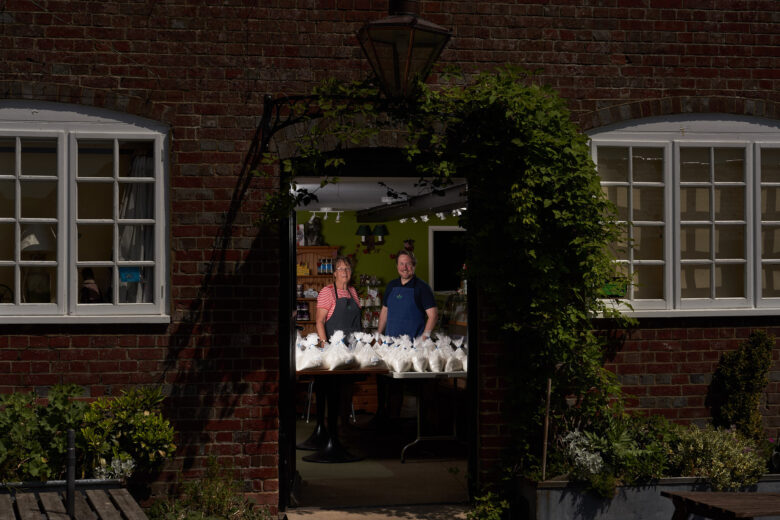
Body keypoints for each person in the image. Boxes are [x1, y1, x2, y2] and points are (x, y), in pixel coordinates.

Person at [378, 250, 438, 339]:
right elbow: (384, 311)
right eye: (401, 264)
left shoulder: (422, 287)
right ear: (397, 266)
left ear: (414, 266)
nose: (404, 268)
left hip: (413, 347)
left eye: (408, 264)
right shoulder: (391, 286)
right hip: (390, 344)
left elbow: (433, 316)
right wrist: (378, 335)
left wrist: (423, 340)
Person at [315, 255, 362, 345]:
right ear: (335, 273)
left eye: (347, 268)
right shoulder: (327, 291)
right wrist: (324, 344)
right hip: (335, 349)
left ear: (351, 272)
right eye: (340, 268)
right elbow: (319, 321)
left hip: (355, 345)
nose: (344, 271)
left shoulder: (352, 291)